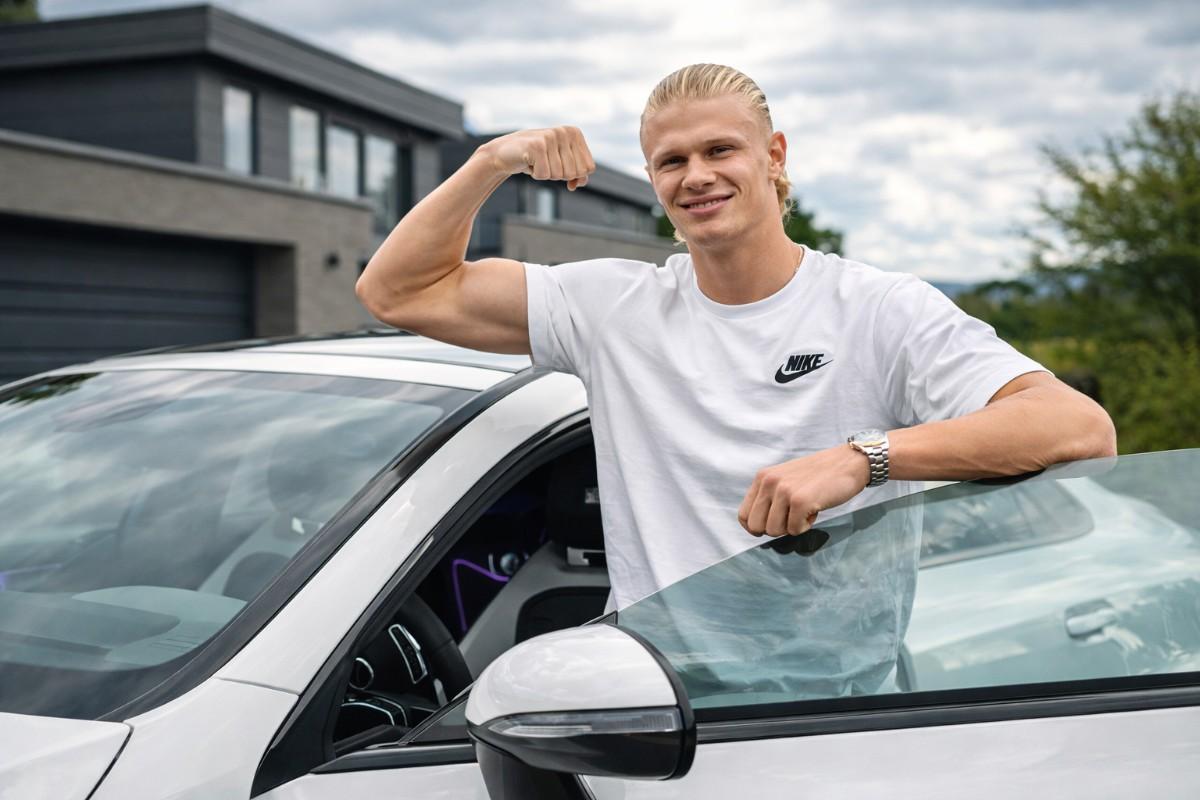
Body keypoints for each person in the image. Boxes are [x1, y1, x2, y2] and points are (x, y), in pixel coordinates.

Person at [356, 63, 1117, 613]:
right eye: (671, 161)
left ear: (774, 156)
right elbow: (398, 290)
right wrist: (492, 161)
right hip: (654, 699)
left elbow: (1079, 428)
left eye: (720, 151)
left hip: (836, 711)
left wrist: (865, 458)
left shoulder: (880, 308)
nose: (696, 177)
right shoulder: (612, 305)